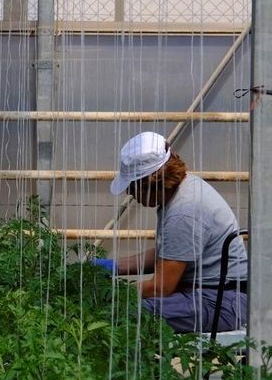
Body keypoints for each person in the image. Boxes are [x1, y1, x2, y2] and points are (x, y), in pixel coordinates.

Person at [92, 132, 248, 334]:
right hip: (208, 294)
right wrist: (113, 266)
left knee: (120, 313)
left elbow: (162, 287)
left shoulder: (184, 211)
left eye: (132, 187)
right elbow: (169, 254)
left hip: (220, 302)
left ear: (150, 183)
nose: (129, 193)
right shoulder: (182, 190)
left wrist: (111, 294)